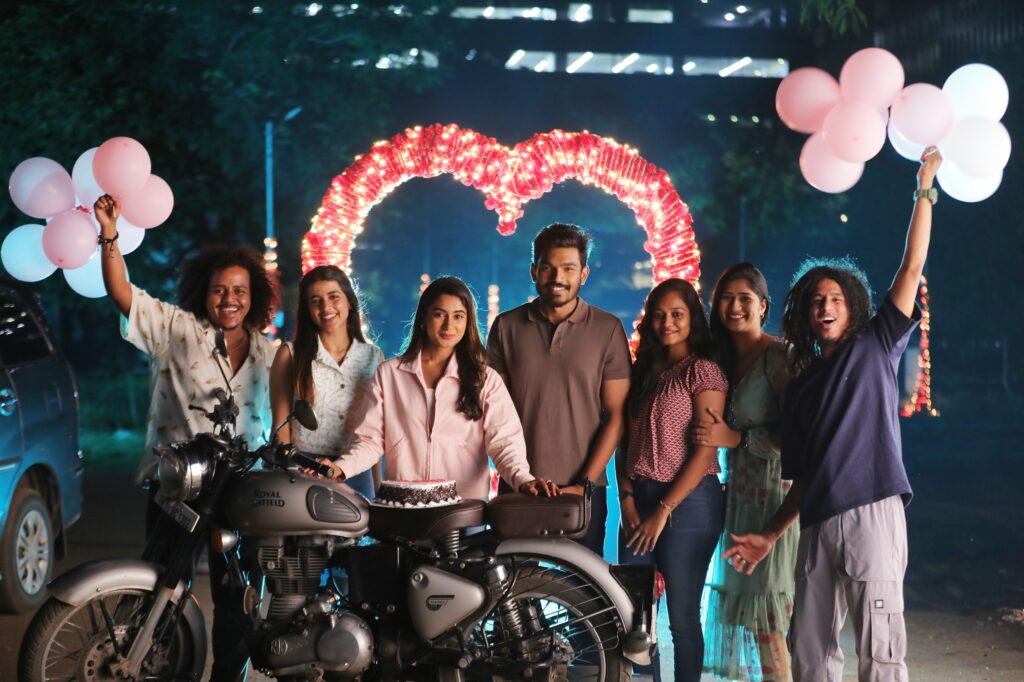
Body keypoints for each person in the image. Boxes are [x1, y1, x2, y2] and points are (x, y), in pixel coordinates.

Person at [724, 148, 943, 681]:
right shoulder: (800, 386)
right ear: (804, 314)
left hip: (872, 514)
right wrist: (769, 535)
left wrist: (924, 188)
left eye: (835, 300)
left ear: (853, 307)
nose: (825, 307)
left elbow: (911, 265)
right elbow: (803, 477)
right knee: (810, 652)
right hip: (817, 524)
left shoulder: (877, 344)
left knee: (879, 647)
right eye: (816, 302)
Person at [94, 194, 277, 681]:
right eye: (219, 290)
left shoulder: (269, 352)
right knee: (160, 588)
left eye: (239, 290)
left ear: (254, 296)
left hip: (240, 492)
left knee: (235, 597)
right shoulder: (175, 328)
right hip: (178, 486)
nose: (229, 299)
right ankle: (151, 669)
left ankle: (226, 676)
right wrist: (109, 234)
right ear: (204, 292)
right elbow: (121, 292)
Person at [323, 276, 555, 499]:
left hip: (464, 508)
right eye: (439, 314)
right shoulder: (389, 374)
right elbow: (370, 442)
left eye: (458, 316)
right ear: (424, 318)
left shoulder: (485, 380)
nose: (448, 325)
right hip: (405, 504)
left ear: (467, 322)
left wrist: (523, 479)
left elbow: (504, 444)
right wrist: (341, 468)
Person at [487, 223, 630, 555]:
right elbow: (495, 413)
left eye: (568, 268)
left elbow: (616, 416)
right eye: (548, 268)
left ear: (584, 274)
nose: (557, 277)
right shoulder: (506, 327)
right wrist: (519, 476)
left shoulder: (608, 329)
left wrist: (584, 484)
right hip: (519, 486)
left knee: (584, 585)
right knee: (516, 583)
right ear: (534, 271)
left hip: (582, 491)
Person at [619, 278, 728, 682]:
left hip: (689, 503)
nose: (667, 322)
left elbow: (706, 450)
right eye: (659, 315)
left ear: (692, 318)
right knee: (634, 616)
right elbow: (624, 441)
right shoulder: (643, 371)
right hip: (639, 499)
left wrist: (663, 510)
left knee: (681, 617)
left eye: (677, 314)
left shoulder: (703, 372)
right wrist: (627, 500)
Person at [698, 263, 798, 681]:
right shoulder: (720, 359)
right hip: (737, 497)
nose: (735, 306)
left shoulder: (780, 356)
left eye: (745, 298)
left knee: (768, 622)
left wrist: (737, 439)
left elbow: (799, 437)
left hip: (775, 498)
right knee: (748, 620)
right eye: (726, 297)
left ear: (763, 306)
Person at [270, 265, 383, 499]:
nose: (326, 307)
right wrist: (286, 475)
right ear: (307, 310)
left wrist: (377, 486)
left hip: (355, 469)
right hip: (304, 468)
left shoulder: (373, 357)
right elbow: (280, 428)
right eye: (316, 301)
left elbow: (374, 432)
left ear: (349, 301)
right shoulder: (290, 355)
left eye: (334, 297)